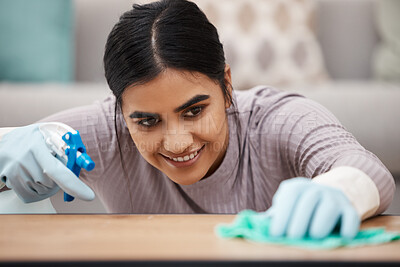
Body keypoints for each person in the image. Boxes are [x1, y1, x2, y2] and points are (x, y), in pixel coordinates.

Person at [0, 0, 395, 239]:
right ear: (119, 110)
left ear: (226, 84)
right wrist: (7, 147)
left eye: (194, 111)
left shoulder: (277, 119)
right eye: (147, 121)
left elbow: (364, 169)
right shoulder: (106, 131)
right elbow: (28, 147)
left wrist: (339, 190)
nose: (176, 142)